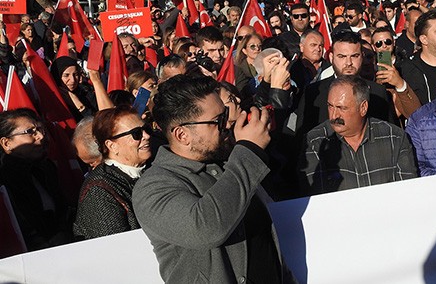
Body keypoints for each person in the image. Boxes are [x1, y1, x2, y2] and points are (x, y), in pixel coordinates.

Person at [132, 75, 296, 283]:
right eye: (218, 120)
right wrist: (249, 151)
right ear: (182, 135)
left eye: (225, 114)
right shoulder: (153, 186)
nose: (227, 124)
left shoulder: (229, 160)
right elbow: (206, 228)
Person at [299, 75, 417, 195]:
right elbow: (317, 199)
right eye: (330, 106)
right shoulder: (316, 142)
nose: (334, 116)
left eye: (342, 108)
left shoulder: (394, 138)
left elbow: (407, 192)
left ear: (363, 107)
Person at [73, 106, 151, 240]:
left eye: (146, 129)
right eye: (136, 134)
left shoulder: (154, 165)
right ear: (112, 146)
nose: (147, 136)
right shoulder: (99, 191)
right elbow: (116, 249)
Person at [0, 109, 72, 250]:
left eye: (40, 129)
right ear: (6, 143)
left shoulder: (46, 167)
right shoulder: (3, 181)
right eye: (30, 132)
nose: (40, 136)